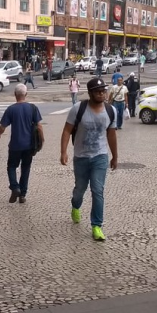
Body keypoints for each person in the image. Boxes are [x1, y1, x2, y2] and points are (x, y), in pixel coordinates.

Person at [60, 78, 119, 241]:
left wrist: (115, 156)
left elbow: (112, 134)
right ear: (91, 93)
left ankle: (97, 226)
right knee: (80, 189)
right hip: (81, 156)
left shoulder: (111, 110)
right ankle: (75, 205)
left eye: (104, 91)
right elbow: (66, 131)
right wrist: (63, 152)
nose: (102, 94)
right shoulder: (78, 109)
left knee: (97, 190)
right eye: (98, 91)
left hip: (100, 156)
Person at [0, 84, 44, 203]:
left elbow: (3, 126)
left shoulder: (11, 109)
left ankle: (15, 187)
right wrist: (41, 141)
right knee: (26, 168)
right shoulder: (33, 108)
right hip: (29, 145)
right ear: (26, 94)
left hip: (15, 145)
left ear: (15, 95)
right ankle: (22, 195)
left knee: (11, 167)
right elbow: (39, 126)